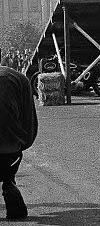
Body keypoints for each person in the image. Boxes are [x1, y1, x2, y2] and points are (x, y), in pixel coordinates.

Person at [0, 65, 38, 220]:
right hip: (11, 152)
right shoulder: (19, 77)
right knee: (8, 178)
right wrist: (21, 142)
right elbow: (29, 119)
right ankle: (9, 186)